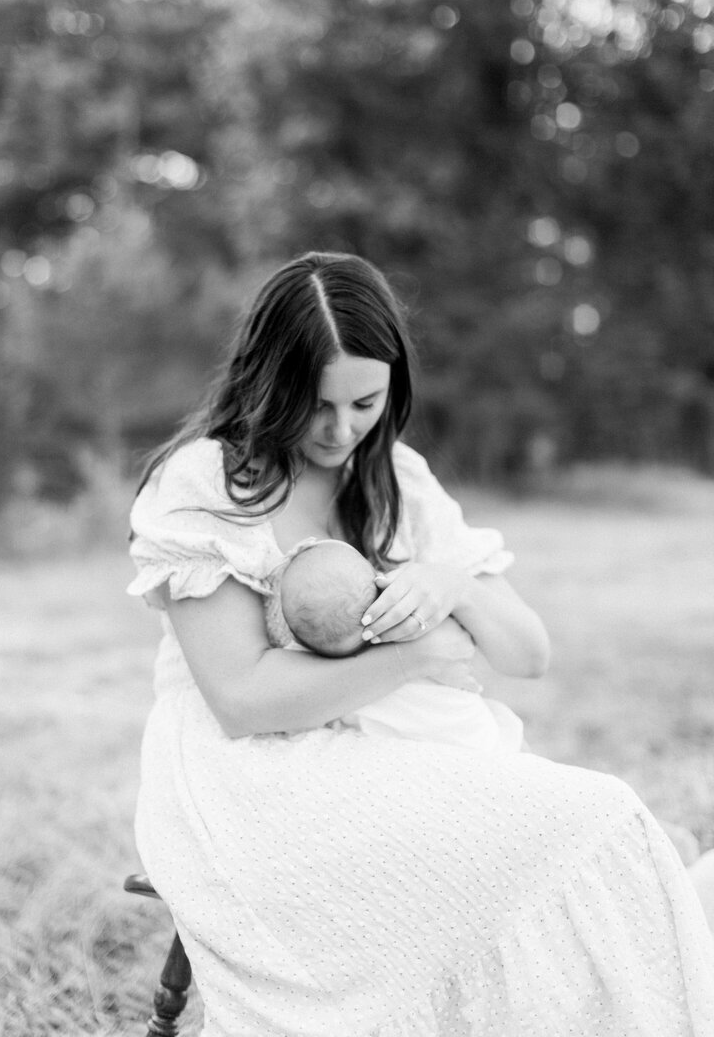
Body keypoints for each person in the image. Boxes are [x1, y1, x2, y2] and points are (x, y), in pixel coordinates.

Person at [128, 251, 714, 1037]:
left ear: (393, 385)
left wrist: (453, 584)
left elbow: (528, 653)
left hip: (395, 745)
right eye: (316, 406)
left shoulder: (395, 478)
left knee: (600, 827)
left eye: (365, 403)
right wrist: (416, 654)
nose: (341, 431)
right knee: (597, 814)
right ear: (267, 384)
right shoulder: (209, 483)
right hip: (254, 773)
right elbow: (241, 701)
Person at [277, 537, 525, 751]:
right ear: (382, 585)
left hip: (415, 757)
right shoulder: (421, 630)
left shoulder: (334, 689)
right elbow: (462, 671)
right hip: (474, 736)